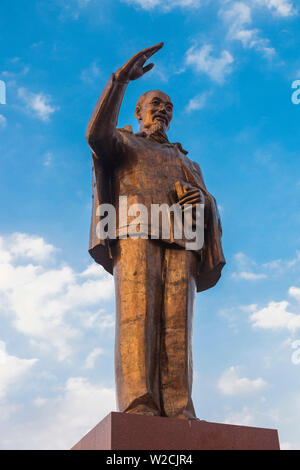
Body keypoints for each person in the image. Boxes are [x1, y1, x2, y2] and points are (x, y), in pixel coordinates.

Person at [86, 42, 225, 419]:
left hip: (182, 238)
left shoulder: (187, 160)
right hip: (135, 231)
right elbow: (96, 136)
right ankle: (139, 403)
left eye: (169, 107)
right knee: (138, 319)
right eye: (155, 103)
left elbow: (208, 201)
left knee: (178, 326)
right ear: (139, 110)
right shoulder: (124, 142)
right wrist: (118, 82)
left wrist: (201, 201)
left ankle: (180, 408)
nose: (163, 110)